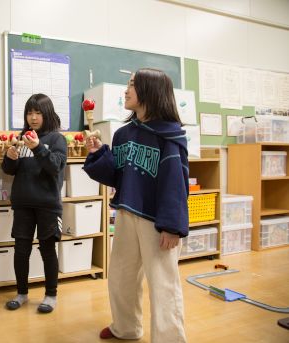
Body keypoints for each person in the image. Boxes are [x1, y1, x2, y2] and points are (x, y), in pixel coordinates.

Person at [83, 68, 189, 342]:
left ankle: (170, 338)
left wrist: (172, 227)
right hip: (127, 214)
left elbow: (175, 186)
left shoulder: (169, 136)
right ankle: (126, 327)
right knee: (121, 277)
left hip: (158, 221)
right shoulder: (124, 134)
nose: (126, 90)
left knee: (163, 284)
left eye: (132, 85)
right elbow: (116, 175)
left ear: (150, 92)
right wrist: (98, 154)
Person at [1, 93, 67, 314]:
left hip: (48, 204)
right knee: (21, 250)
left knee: (48, 249)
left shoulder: (56, 139)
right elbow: (10, 170)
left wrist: (39, 147)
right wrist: (10, 157)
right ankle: (22, 293)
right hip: (23, 203)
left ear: (47, 114)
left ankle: (51, 295)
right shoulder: (21, 137)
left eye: (38, 112)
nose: (33, 117)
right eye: (30, 112)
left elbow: (55, 166)